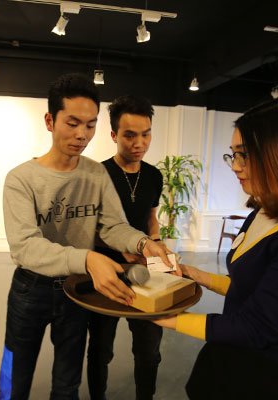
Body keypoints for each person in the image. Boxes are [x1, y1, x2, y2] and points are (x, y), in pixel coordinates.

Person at [0, 74, 177, 400]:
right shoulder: (21, 179)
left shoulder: (95, 174)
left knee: (67, 383)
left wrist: (143, 243)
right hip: (30, 290)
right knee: (14, 377)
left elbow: (113, 226)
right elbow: (25, 247)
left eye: (90, 125)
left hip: (76, 289)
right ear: (50, 121)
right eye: (73, 123)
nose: (82, 134)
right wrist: (88, 258)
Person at [154, 101, 278, 400]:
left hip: (262, 381)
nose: (235, 166)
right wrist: (196, 275)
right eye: (234, 154)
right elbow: (252, 289)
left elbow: (255, 327)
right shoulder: (264, 210)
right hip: (225, 364)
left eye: (245, 154)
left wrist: (162, 316)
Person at [87, 95, 165, 400]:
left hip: (145, 272)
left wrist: (156, 243)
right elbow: (88, 229)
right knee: (100, 349)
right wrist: (118, 246)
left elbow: (151, 219)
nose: (139, 143)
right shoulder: (97, 174)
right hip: (106, 273)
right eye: (130, 135)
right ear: (114, 135)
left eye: (146, 134)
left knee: (149, 351)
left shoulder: (154, 175)